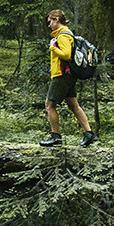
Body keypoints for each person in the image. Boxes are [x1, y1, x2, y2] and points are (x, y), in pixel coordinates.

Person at [39, 9, 95, 147]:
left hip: (62, 75)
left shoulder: (63, 35)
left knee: (49, 104)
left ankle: (55, 136)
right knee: (73, 105)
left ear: (57, 19)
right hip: (67, 75)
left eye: (50, 21)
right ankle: (89, 134)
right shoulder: (63, 34)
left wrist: (53, 47)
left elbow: (66, 55)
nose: (49, 24)